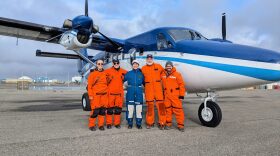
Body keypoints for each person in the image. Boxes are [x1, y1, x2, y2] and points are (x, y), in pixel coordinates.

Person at [141, 54, 166, 129]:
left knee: (161, 107)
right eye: (148, 58)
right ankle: (150, 123)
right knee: (150, 108)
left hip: (158, 90)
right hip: (149, 91)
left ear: (152, 59)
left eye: (150, 58)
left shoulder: (158, 66)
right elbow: (141, 78)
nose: (149, 60)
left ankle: (162, 123)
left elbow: (165, 73)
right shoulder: (143, 68)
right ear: (146, 59)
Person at [161, 61, 186, 132]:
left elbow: (181, 85)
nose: (168, 67)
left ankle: (180, 125)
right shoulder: (163, 74)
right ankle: (168, 124)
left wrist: (181, 95)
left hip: (175, 96)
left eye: (170, 66)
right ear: (165, 67)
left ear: (172, 66)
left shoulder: (177, 74)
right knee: (168, 110)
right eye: (167, 66)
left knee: (178, 110)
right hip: (167, 96)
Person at [88, 59, 109, 131]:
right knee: (95, 111)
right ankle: (91, 125)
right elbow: (89, 86)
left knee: (102, 111)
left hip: (104, 96)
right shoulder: (92, 74)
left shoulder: (106, 73)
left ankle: (101, 125)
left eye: (102, 64)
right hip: (96, 95)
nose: (100, 65)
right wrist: (90, 95)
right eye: (99, 64)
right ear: (96, 64)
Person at [105, 59, 127, 129]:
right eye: (115, 63)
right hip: (111, 93)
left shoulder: (123, 71)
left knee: (118, 110)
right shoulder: (107, 71)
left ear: (119, 63)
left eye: (117, 63)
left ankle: (117, 123)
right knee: (109, 110)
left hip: (119, 94)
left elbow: (130, 74)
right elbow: (101, 78)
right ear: (113, 64)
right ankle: (109, 123)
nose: (116, 64)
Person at [124, 60, 145, 129]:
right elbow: (121, 80)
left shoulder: (141, 74)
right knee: (130, 108)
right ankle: (130, 123)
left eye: (136, 64)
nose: (135, 65)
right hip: (130, 91)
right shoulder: (128, 73)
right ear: (132, 65)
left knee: (139, 108)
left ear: (138, 65)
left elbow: (145, 83)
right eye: (134, 64)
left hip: (139, 91)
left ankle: (138, 123)